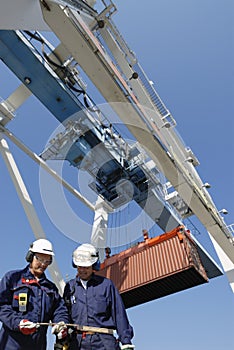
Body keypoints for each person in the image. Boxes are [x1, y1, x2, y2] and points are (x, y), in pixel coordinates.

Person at [0, 238, 69, 350]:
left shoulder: (50, 289)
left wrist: (61, 324)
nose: (43, 264)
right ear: (30, 257)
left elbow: (59, 310)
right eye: (40, 259)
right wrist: (18, 323)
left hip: (37, 346)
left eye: (47, 261)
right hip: (11, 345)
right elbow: (2, 306)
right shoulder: (12, 279)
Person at [63, 243, 134, 350]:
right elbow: (64, 314)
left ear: (94, 266)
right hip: (78, 343)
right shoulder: (70, 287)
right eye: (80, 266)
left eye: (86, 267)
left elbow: (119, 314)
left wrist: (126, 341)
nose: (82, 270)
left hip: (104, 342)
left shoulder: (106, 285)